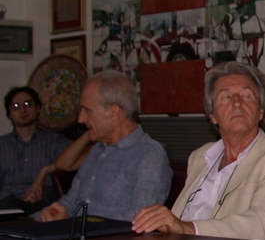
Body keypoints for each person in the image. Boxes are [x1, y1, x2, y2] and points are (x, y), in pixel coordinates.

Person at [131, 62, 265, 240]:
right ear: (212, 115)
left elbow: (263, 226)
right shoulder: (200, 157)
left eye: (247, 96)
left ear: (260, 112)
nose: (237, 103)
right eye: (226, 97)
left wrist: (187, 229)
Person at [39, 71, 172, 222]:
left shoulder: (149, 154)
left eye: (87, 111)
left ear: (114, 113)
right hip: (78, 238)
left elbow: (138, 219)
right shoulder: (99, 149)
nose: (81, 119)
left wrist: (71, 222)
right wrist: (43, 217)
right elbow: (70, 202)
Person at [0, 86, 71, 213]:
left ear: (38, 108)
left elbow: (85, 155)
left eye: (28, 104)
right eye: (16, 106)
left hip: (43, 205)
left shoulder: (53, 142)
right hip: (8, 206)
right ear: (10, 114)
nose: (23, 110)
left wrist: (48, 169)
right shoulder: (2, 145)